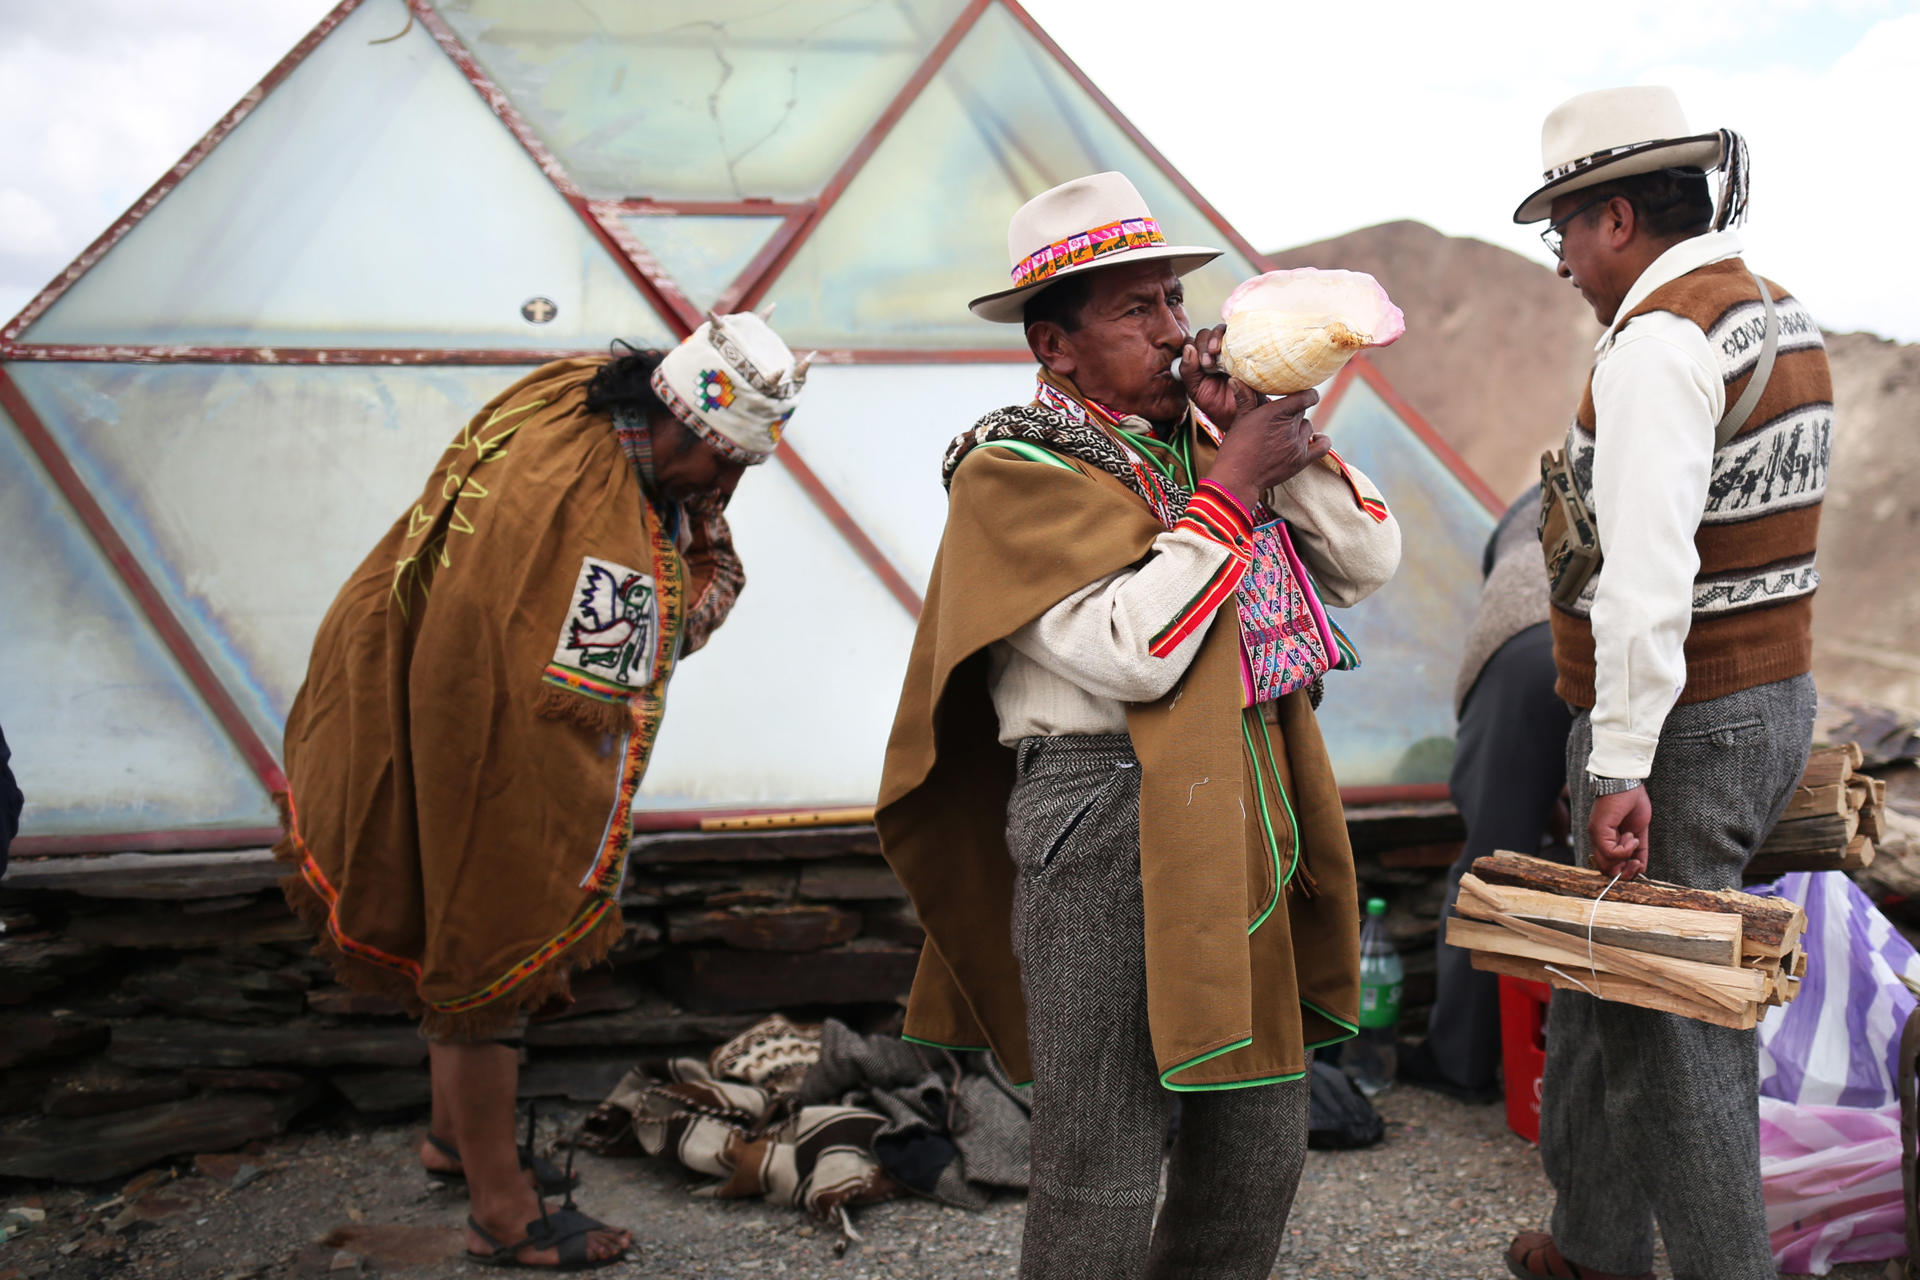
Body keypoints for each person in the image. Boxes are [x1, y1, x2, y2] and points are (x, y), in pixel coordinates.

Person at [877, 172, 1401, 1279]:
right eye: (1138, 311)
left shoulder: (1194, 446)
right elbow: (1130, 648)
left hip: (1242, 788)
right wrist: (1232, 490)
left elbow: (1363, 563)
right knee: (1103, 1145)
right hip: (1098, 806)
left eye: (1173, 300)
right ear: (1055, 346)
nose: (1175, 333)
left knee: (1258, 1132)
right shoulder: (1011, 467)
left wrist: (1261, 442)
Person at [276, 315, 808, 1270]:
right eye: (722, 464)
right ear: (679, 422)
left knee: (452, 901)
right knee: (496, 915)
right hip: (483, 731)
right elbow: (644, 648)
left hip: (412, 664)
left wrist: (694, 525)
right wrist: (710, 570)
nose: (724, 489)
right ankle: (500, 1208)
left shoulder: (571, 398)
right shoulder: (594, 525)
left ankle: (453, 1136)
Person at [1506, 87, 1831, 1280]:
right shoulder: (1773, 315)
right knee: (1607, 979)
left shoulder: (1659, 344)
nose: (1559, 265)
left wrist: (1621, 763)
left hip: (1681, 722)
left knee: (1672, 1024)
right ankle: (1592, 1242)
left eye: (1565, 233)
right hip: (1765, 692)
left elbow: (1648, 577)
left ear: (1621, 218)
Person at [1402, 491, 1571, 1100]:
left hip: (1523, 648)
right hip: (1626, 653)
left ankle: (1461, 1062)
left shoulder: (1533, 505)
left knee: (1487, 871)